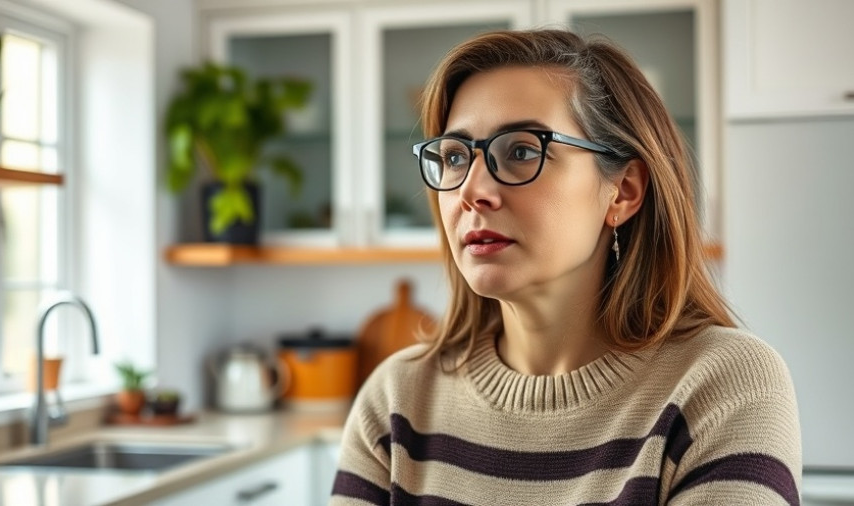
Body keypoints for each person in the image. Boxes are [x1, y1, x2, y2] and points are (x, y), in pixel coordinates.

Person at [330, 28, 801, 505]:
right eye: (455, 157)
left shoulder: (723, 387)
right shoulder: (396, 399)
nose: (471, 191)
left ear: (624, 191)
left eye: (520, 151)